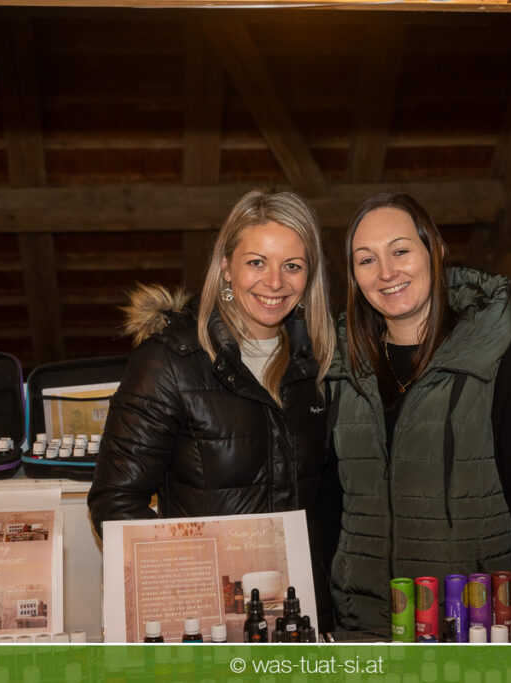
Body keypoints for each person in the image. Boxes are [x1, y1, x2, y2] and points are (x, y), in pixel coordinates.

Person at [327, 193, 511, 637]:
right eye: (366, 260)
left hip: (472, 633)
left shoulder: (498, 362)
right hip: (362, 631)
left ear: (435, 250)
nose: (386, 272)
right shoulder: (339, 369)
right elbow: (328, 508)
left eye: (400, 251)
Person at [87, 188, 337, 628]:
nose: (275, 282)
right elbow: (115, 501)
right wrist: (195, 587)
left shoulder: (322, 362)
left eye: (292, 266)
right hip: (207, 621)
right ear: (226, 267)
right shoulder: (168, 362)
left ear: (309, 276)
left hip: (301, 615)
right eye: (256, 262)